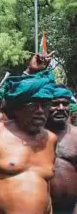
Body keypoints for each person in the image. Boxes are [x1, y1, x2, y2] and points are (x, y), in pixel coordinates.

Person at [0, 71, 57, 214]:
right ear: (18, 108)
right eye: (33, 105)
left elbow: (45, 183)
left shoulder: (51, 139)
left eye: (45, 105)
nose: (40, 111)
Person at [45, 85, 77, 214]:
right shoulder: (34, 136)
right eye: (55, 104)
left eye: (65, 103)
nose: (61, 108)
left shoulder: (76, 136)